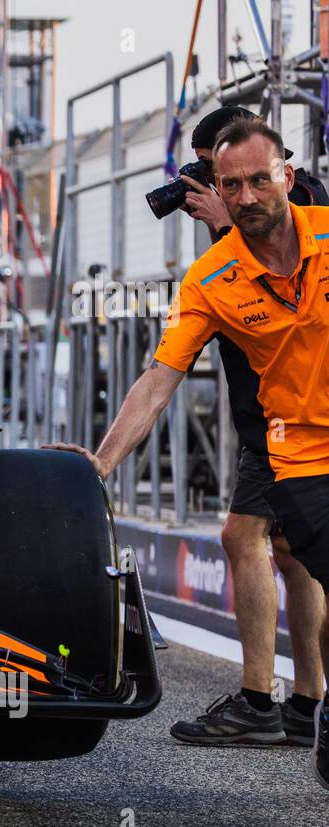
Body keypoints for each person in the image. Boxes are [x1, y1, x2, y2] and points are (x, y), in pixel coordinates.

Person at [49, 117, 329, 790]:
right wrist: (100, 464)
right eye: (230, 185)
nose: (246, 196)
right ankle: (290, 706)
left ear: (288, 177)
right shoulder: (209, 279)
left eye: (260, 180)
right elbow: (158, 379)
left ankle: (304, 706)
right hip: (296, 457)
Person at [167, 106, 326, 746]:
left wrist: (223, 220)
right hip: (267, 410)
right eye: (222, 180)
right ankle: (307, 703)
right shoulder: (233, 235)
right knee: (293, 553)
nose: (236, 191)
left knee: (243, 536)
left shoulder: (301, 202)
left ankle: (261, 699)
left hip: (287, 418)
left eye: (244, 177)